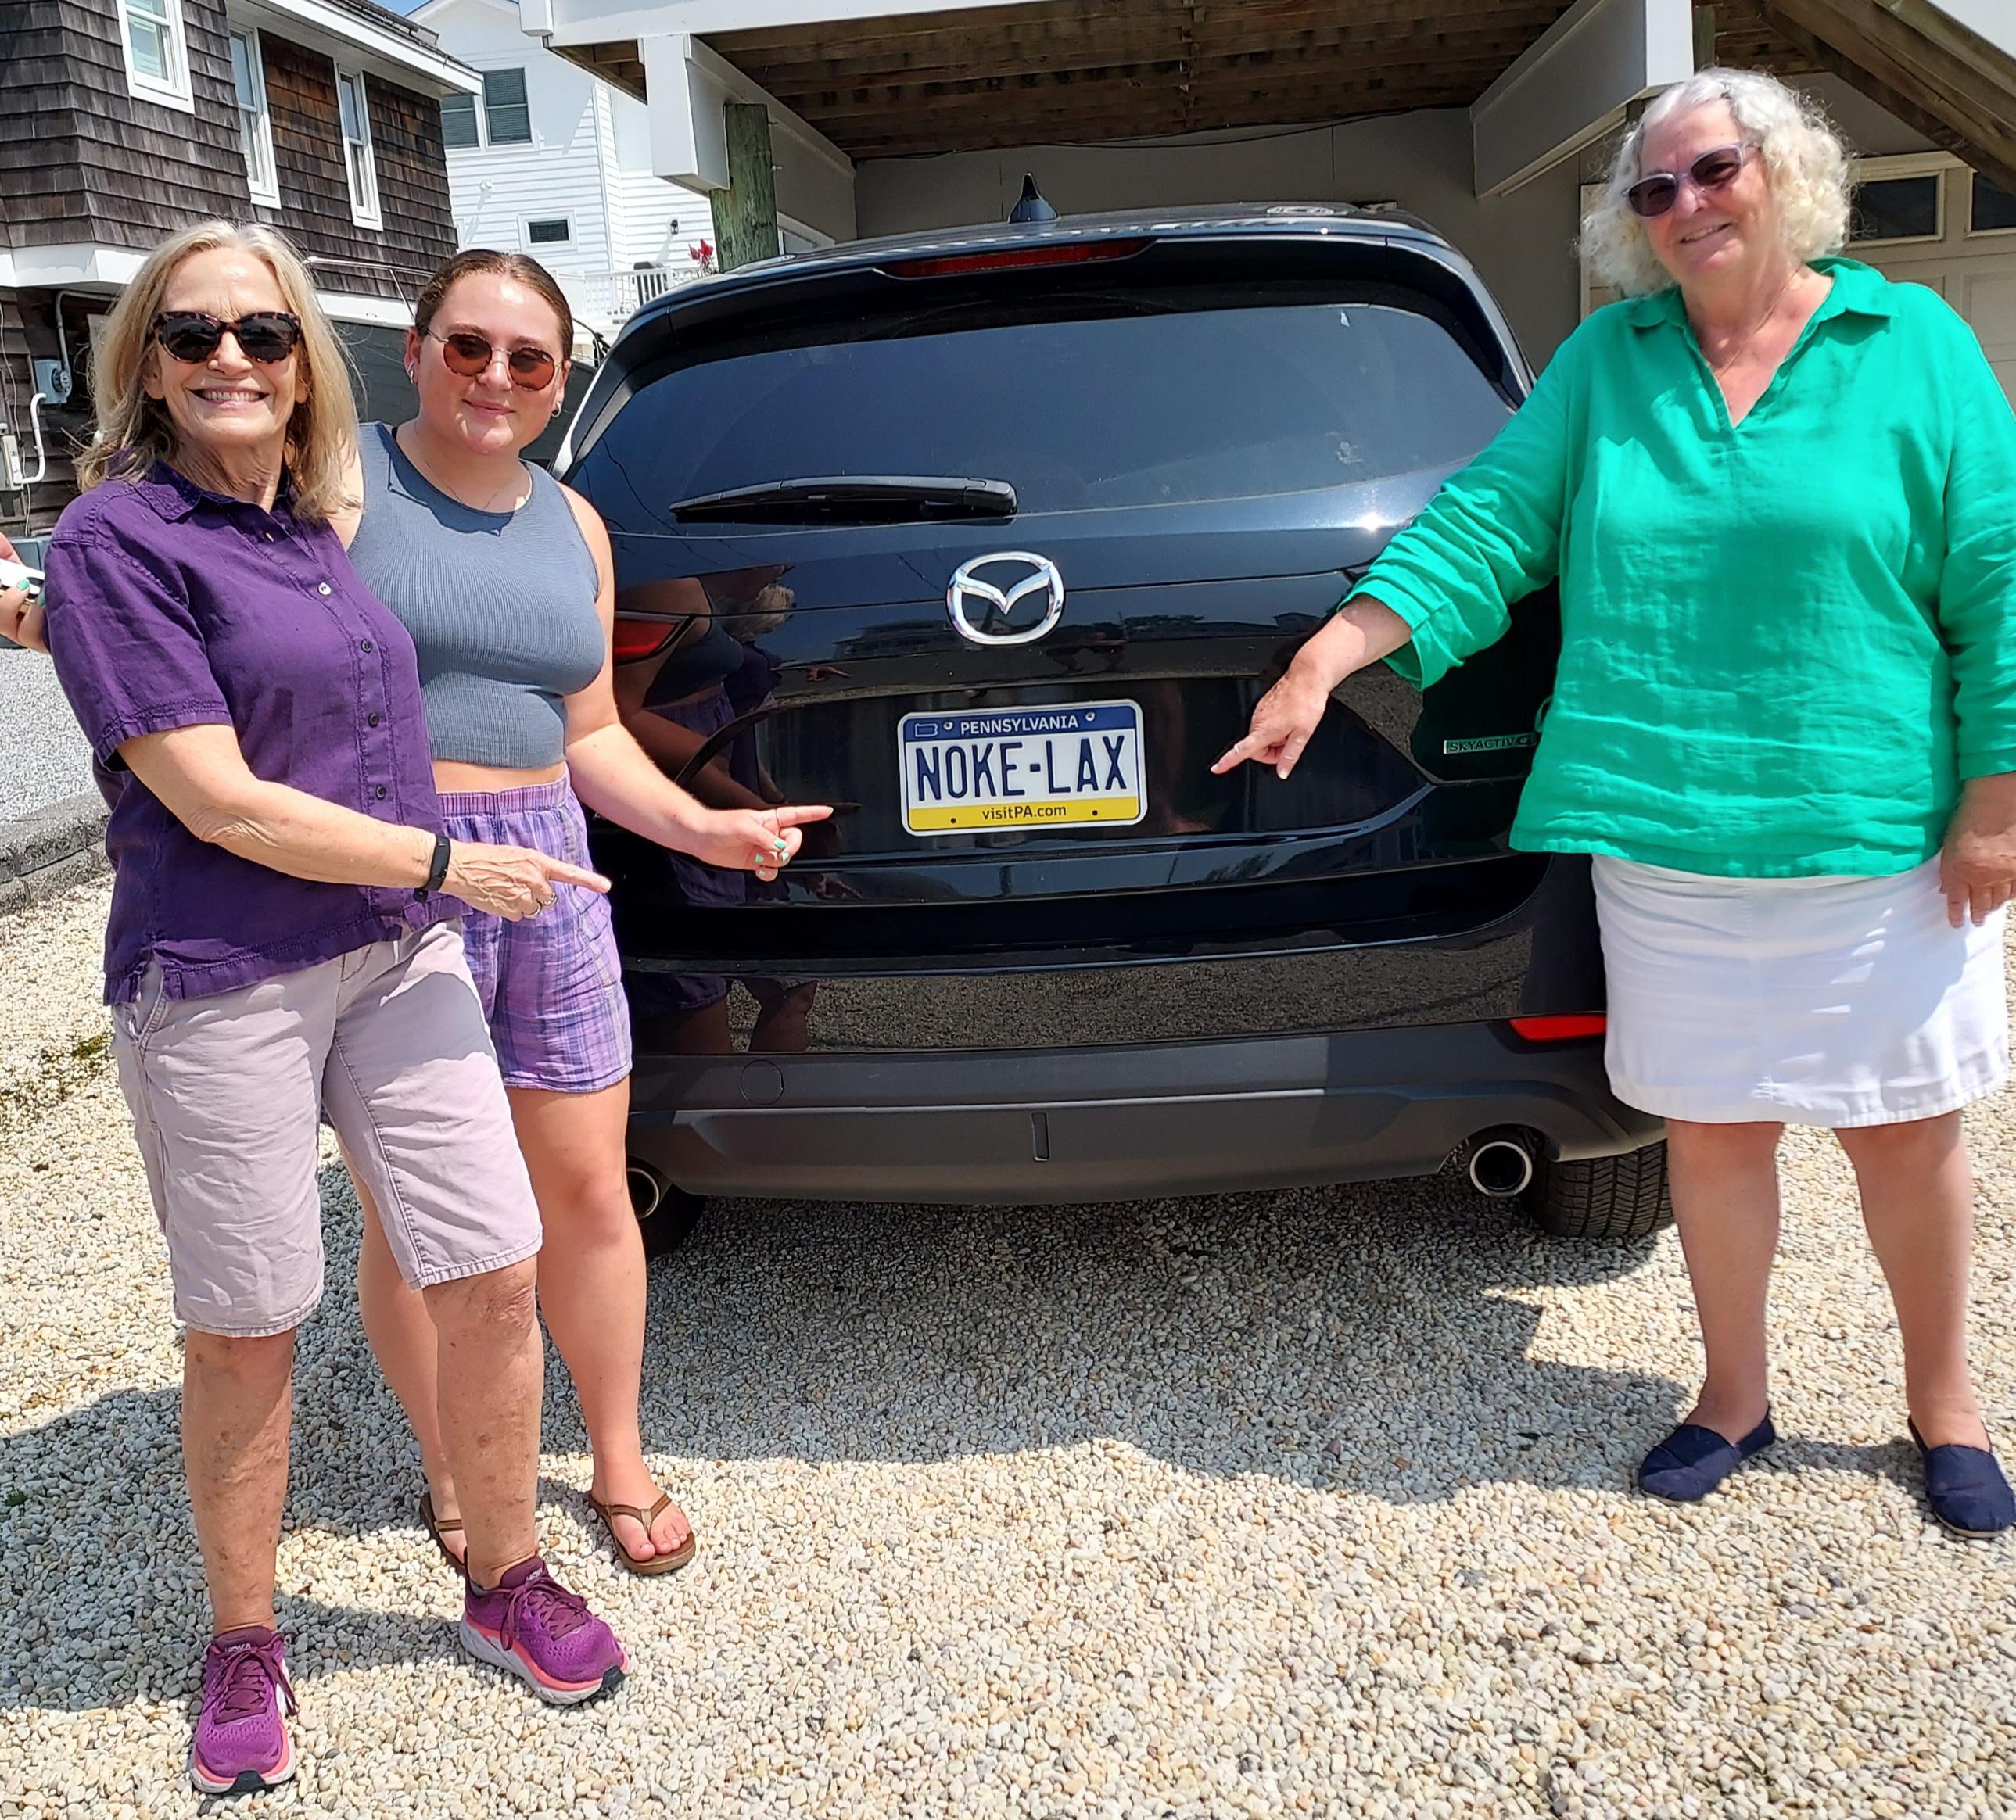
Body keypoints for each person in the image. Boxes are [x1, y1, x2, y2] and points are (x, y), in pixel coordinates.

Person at [1216, 68, 2016, 1538]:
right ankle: (1730, 1395)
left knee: (1903, 1128)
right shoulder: (1607, 362)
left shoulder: (1913, 345)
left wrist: (1994, 801)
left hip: (1877, 831)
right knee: (1709, 1134)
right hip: (1663, 827)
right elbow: (1484, 528)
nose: (1681, 208)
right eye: (1650, 192)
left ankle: (1944, 1404)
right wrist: (1326, 656)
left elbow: (1996, 579)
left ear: (1783, 173)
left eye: (1709, 173)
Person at [32, 221, 631, 1796]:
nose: (231, 357)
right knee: (248, 1324)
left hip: (393, 948)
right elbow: (216, 798)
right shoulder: (117, 542)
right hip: (228, 970)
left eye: (263, 333)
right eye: (192, 334)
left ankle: (502, 1576)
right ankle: (244, 1635)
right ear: (146, 367)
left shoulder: (313, 522)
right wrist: (452, 859)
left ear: (306, 360)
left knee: (492, 1266)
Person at [330, 249, 830, 1576]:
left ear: (560, 382)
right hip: (401, 870)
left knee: (587, 1190)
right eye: (469, 346)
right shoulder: (341, 478)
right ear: (418, 348)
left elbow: (591, 732)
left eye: (529, 358)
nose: (495, 376)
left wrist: (699, 822)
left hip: (550, 866)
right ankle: (456, 1460)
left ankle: (615, 1456)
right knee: (415, 1209)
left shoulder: (576, 524)